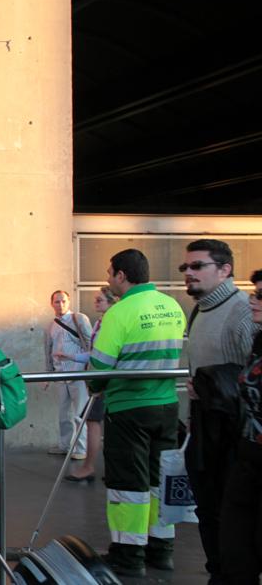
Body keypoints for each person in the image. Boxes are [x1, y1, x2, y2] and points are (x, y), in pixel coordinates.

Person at [88, 249, 185, 577]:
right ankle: (162, 549)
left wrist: (94, 386)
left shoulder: (120, 312)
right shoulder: (171, 306)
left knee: (128, 485)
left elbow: (100, 367)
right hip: (167, 406)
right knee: (160, 480)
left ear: (121, 276)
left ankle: (129, 555)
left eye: (109, 272)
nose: (107, 279)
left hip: (128, 409)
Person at [181, 239, 255, 582]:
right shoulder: (200, 308)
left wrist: (213, 388)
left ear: (225, 270)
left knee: (229, 513)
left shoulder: (242, 311)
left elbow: (249, 375)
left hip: (232, 432)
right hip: (204, 425)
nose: (189, 274)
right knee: (208, 509)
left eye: (198, 266)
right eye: (186, 267)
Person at [217, 269, 262, 584]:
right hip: (249, 454)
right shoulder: (259, 338)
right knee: (236, 547)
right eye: (253, 292)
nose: (252, 300)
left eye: (260, 295)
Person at [65, 286, 118, 483]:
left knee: (94, 421)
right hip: (101, 377)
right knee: (96, 421)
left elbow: (102, 353)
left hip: (105, 379)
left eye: (100, 300)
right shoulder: (100, 322)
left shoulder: (110, 322)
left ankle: (89, 466)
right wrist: (74, 357)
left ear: (111, 302)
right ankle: (98, 466)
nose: (96, 302)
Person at [44, 290, 94, 459]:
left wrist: (90, 368)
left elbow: (90, 343)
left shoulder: (78, 319)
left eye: (63, 301)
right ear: (52, 304)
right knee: (63, 414)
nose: (61, 305)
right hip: (60, 375)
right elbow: (48, 350)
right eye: (57, 302)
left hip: (78, 372)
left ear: (69, 301)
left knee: (80, 413)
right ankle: (65, 445)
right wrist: (48, 374)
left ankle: (81, 449)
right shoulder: (51, 325)